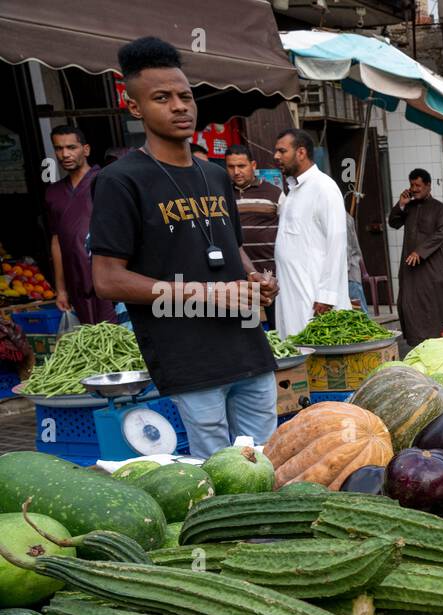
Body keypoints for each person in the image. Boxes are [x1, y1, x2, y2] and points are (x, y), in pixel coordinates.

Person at [90, 36, 278, 457]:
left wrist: (254, 278)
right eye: (162, 98)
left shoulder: (214, 175)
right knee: (217, 471)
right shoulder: (120, 180)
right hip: (190, 358)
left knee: (267, 462)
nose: (179, 106)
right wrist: (209, 294)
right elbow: (107, 279)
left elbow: (232, 245)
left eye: (185, 96)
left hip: (248, 345)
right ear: (134, 107)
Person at [272, 128, 350, 337]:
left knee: (319, 355)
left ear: (301, 152)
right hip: (292, 295)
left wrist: (327, 294)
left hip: (315, 299)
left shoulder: (324, 188)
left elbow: (337, 243)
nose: (276, 156)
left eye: (282, 151)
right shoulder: (292, 192)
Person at [45, 124, 117, 325]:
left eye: (71, 147)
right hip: (75, 280)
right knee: (89, 338)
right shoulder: (53, 193)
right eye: (59, 148)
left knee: (117, 335)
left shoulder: (106, 181)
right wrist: (61, 290)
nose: (65, 154)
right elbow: (57, 242)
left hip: (108, 275)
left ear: (85, 150)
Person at [388, 168, 443, 345]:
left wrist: (420, 251)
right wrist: (400, 204)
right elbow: (393, 223)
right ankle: (416, 343)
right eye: (412, 185)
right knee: (408, 304)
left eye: (418, 185)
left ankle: (442, 342)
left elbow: (442, 233)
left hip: (434, 270)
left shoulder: (440, 210)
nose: (414, 189)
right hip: (411, 271)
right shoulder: (408, 206)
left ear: (428, 186)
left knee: (436, 306)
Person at [224, 143, 279, 276]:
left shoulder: (275, 193)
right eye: (231, 167)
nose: (236, 172)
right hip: (238, 276)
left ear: (253, 165)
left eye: (241, 166)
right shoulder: (222, 195)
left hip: (273, 273)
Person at [344, 205, 368, 313]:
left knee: (359, 313)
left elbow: (347, 249)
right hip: (346, 274)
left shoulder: (343, 218)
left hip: (349, 275)